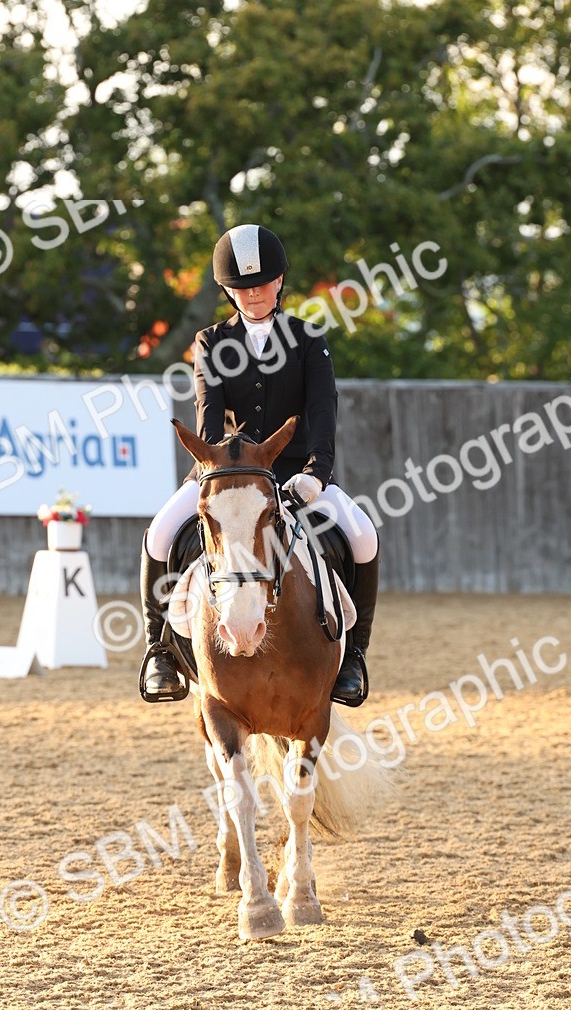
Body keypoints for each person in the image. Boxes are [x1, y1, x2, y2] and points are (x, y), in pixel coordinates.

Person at [139, 223, 380, 705]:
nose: (253, 294)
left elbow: (322, 413)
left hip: (295, 474)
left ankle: (353, 655)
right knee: (161, 531)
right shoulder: (210, 342)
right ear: (228, 291)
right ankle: (158, 651)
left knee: (363, 536)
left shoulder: (309, 340)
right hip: (227, 474)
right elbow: (207, 416)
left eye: (263, 283)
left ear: (280, 283)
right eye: (242, 287)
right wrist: (213, 473)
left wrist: (316, 473)